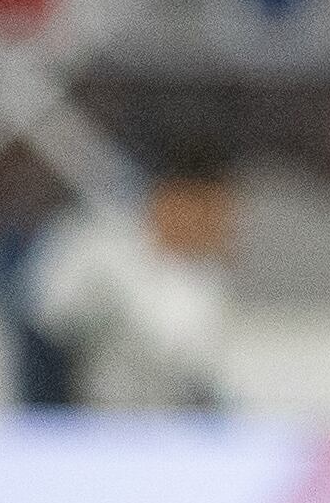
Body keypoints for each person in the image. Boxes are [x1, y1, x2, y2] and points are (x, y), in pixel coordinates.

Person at [23, 141, 238, 412]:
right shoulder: (98, 242)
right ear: (171, 201)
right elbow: (45, 315)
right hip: (91, 419)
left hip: (172, 426)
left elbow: (199, 367)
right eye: (207, 214)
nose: (217, 227)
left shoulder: (200, 276)